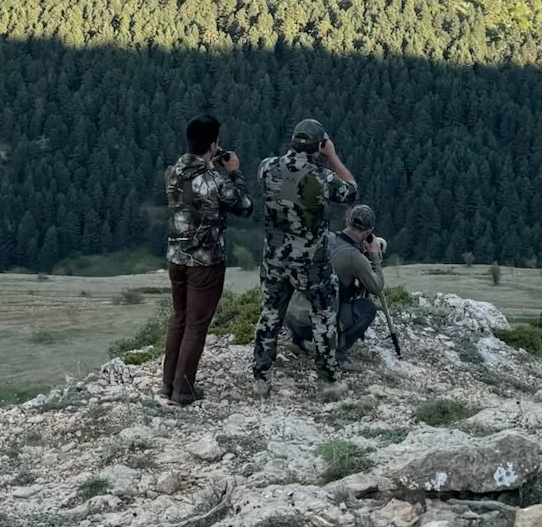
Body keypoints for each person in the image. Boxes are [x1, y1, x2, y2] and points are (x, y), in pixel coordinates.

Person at [253, 118, 357, 383]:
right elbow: (351, 191)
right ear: (319, 145)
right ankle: (326, 378)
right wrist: (332, 156)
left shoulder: (267, 167)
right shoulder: (322, 178)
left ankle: (261, 376)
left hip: (275, 258)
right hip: (312, 262)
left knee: (270, 315)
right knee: (323, 315)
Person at [162, 114, 252, 407]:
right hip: (205, 261)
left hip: (176, 257)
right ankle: (183, 390)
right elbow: (244, 206)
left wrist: (209, 163)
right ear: (213, 145)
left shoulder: (172, 172)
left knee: (179, 318)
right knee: (197, 324)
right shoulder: (214, 179)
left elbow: (193, 187)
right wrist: (235, 172)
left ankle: (168, 383)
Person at [288, 203, 386, 358]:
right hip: (313, 326)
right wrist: (374, 255)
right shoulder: (354, 257)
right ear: (369, 232)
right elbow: (377, 288)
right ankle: (339, 352)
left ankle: (296, 342)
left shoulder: (325, 237)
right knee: (368, 308)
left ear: (347, 221)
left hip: (291, 316)